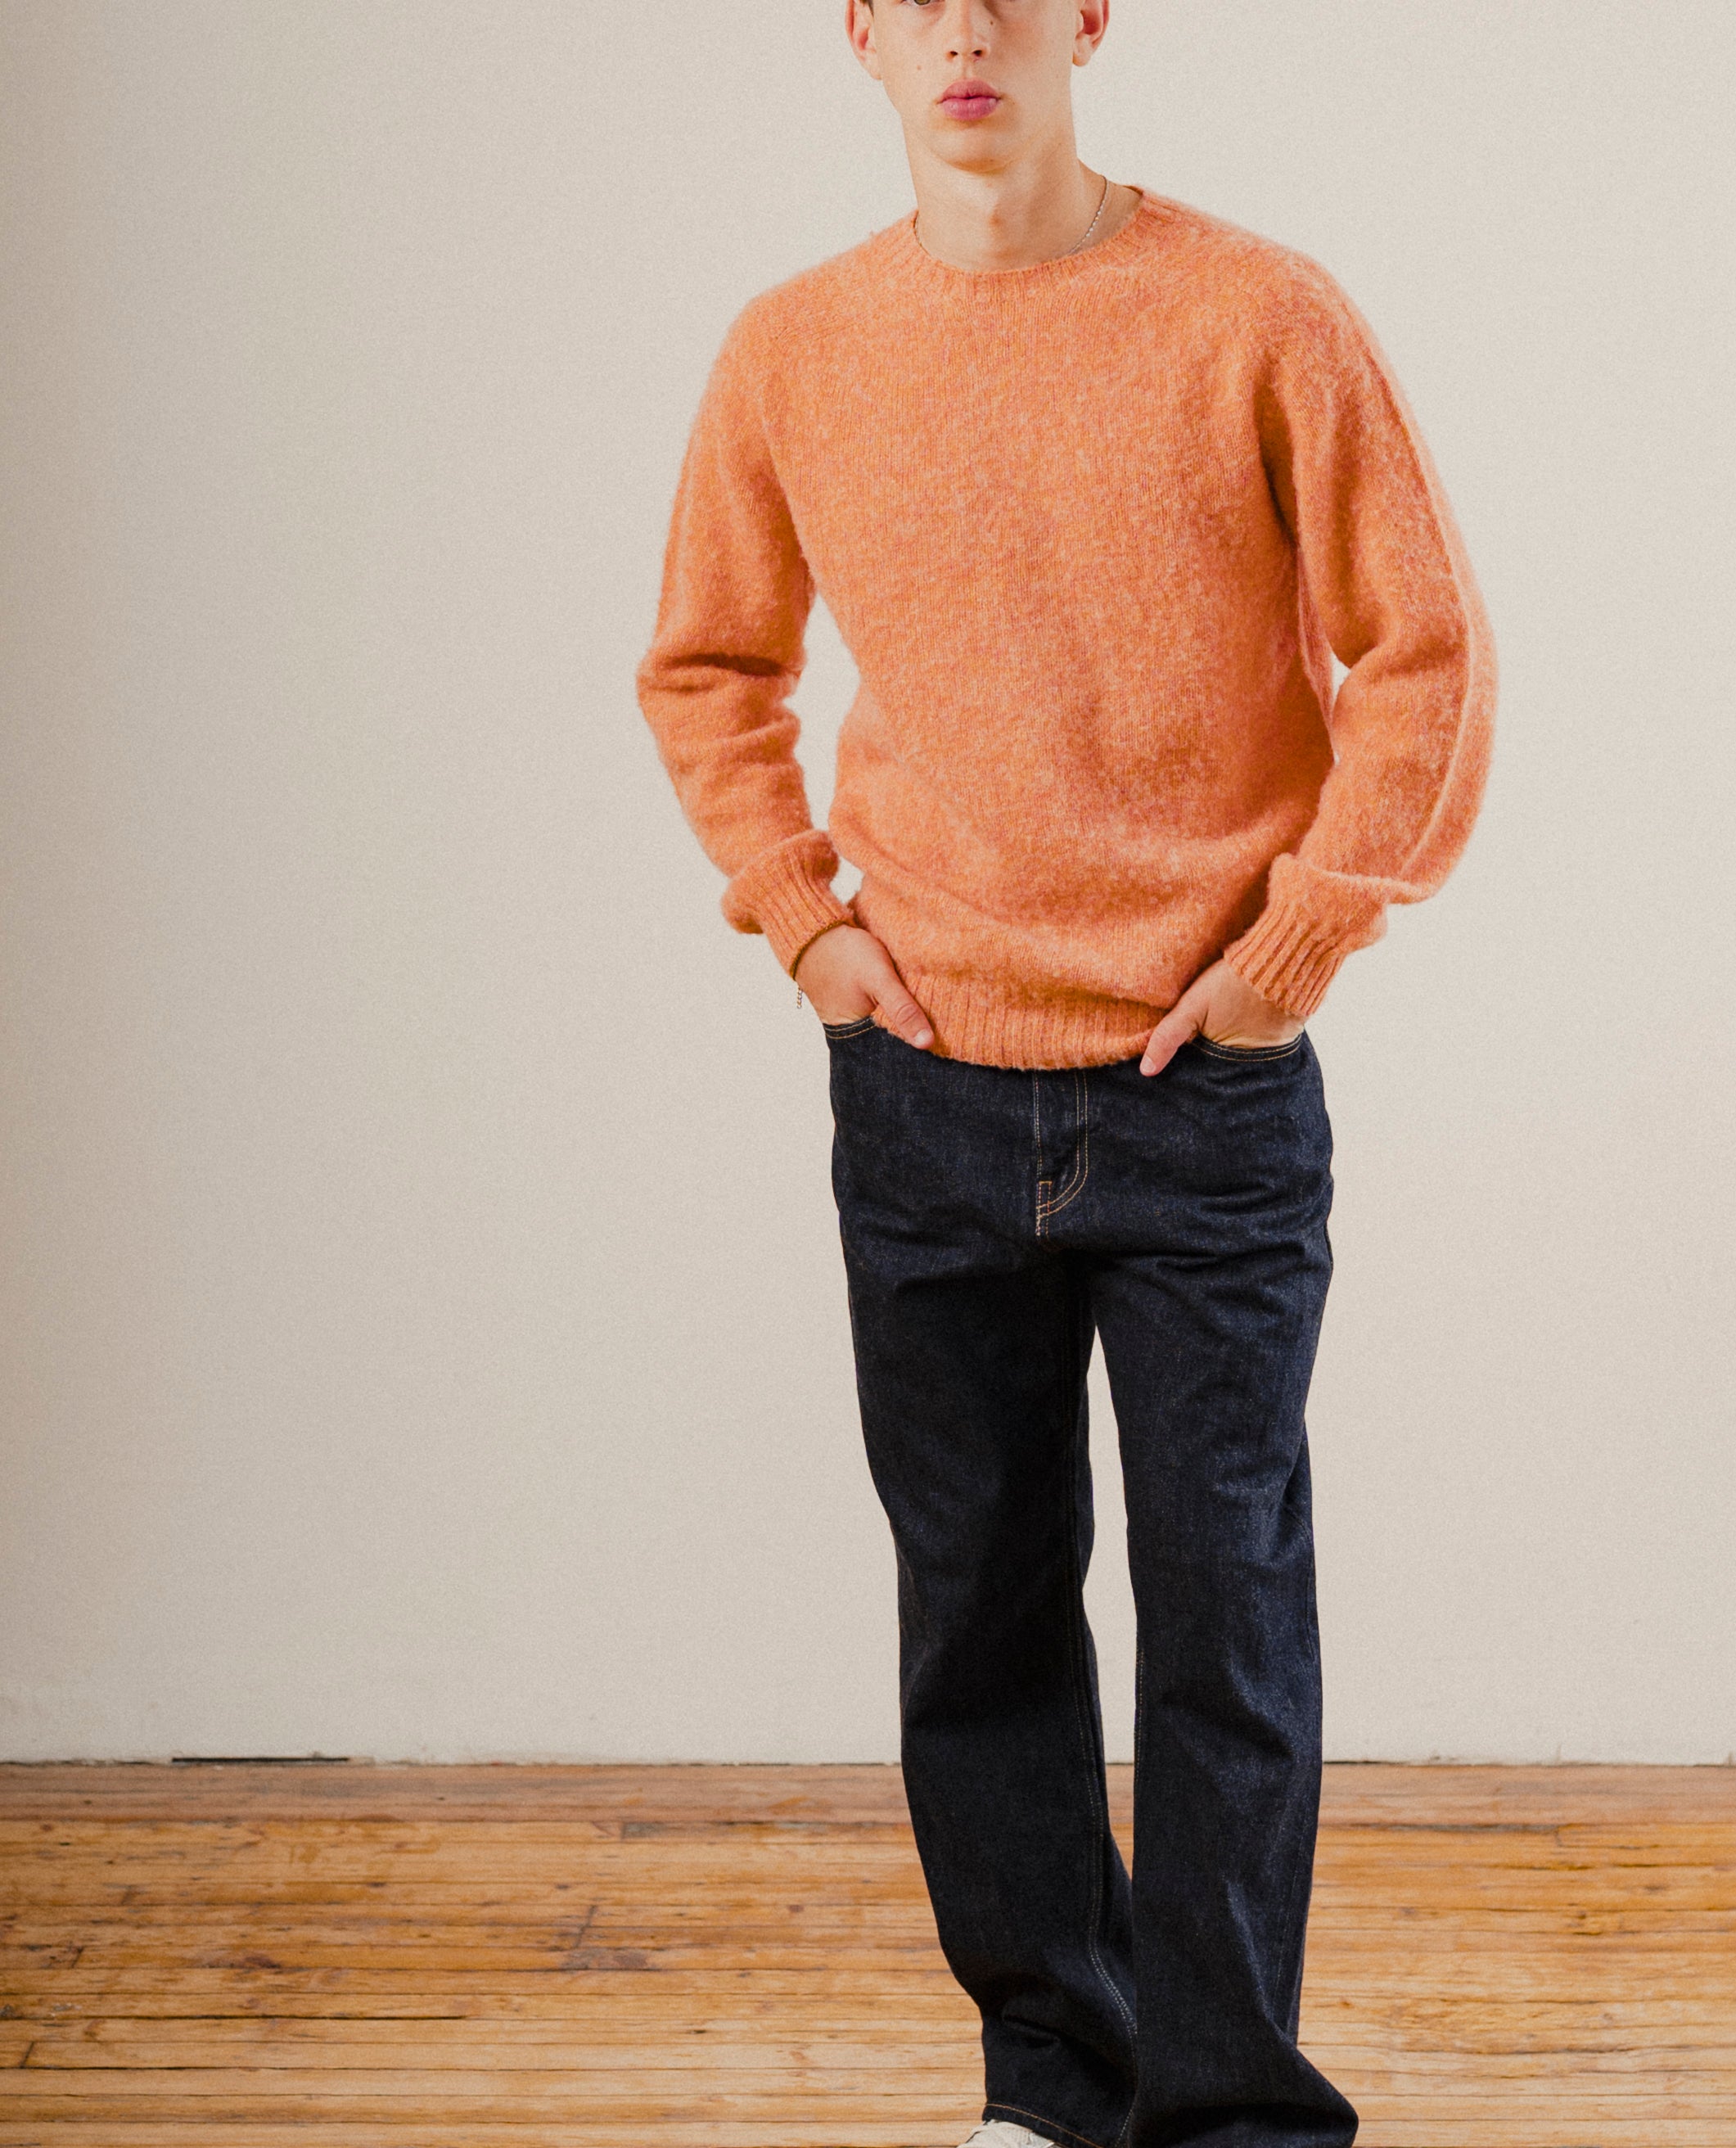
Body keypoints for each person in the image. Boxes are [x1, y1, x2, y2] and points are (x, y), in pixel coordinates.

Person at [634, 4, 1497, 2143]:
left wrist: (1298, 948)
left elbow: (1427, 652)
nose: (962, 30)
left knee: (1226, 1626)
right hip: (924, 1093)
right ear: (857, 32)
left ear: (1087, 14)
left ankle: (1230, 2115)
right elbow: (708, 663)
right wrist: (810, 928)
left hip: (1200, 1088)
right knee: (983, 1619)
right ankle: (1052, 2079)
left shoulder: (1259, 316)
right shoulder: (791, 349)